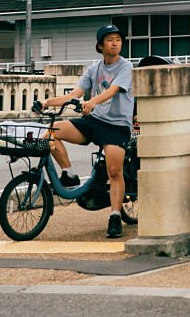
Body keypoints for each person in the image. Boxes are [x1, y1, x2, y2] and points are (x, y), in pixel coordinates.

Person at [42, 24, 133, 239]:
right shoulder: (94, 69)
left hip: (117, 126)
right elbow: (74, 93)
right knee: (52, 131)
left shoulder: (125, 67)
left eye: (118, 39)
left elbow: (112, 91)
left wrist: (92, 102)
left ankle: (115, 216)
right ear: (100, 46)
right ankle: (68, 173)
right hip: (94, 121)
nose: (115, 43)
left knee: (114, 171)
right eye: (110, 40)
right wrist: (47, 102)